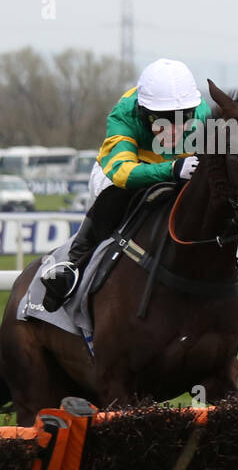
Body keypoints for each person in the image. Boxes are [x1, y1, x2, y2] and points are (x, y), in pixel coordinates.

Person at [41, 58, 208, 312]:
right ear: (144, 112)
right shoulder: (124, 114)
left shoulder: (202, 113)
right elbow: (122, 173)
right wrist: (172, 169)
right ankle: (72, 266)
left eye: (183, 118)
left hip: (175, 170)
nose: (174, 129)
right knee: (115, 196)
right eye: (163, 119)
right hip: (119, 175)